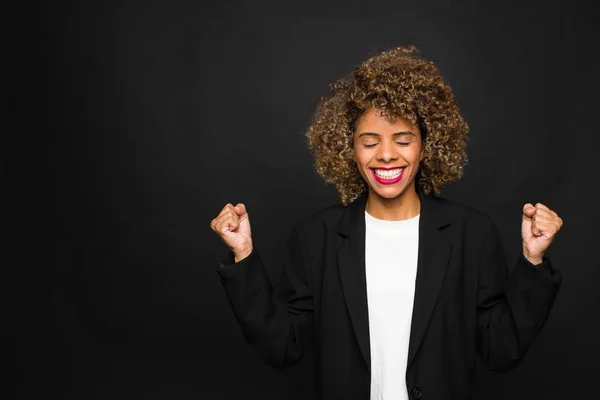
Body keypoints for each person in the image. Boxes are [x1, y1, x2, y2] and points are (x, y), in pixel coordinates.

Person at [210, 46, 563, 400]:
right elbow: (283, 347)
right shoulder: (316, 237)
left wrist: (532, 262)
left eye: (403, 140)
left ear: (426, 147)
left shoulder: (472, 233)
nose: (387, 154)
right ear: (349, 149)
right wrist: (243, 256)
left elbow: (500, 351)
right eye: (369, 142)